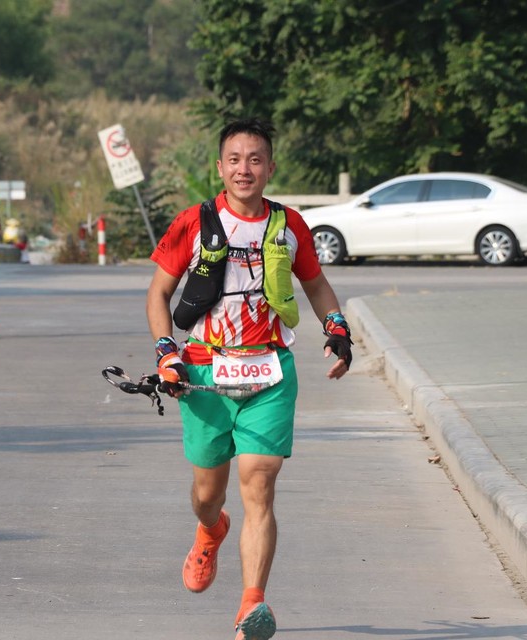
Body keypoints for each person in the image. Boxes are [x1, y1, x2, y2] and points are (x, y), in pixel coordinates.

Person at [145, 118, 352, 640]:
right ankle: (210, 529)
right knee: (207, 493)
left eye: (255, 160)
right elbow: (158, 293)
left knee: (259, 482)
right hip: (203, 372)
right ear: (220, 167)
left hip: (270, 369)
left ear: (270, 168)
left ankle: (251, 606)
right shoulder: (194, 222)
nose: (245, 169)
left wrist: (337, 328)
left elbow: (316, 284)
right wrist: (166, 353)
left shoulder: (288, 225)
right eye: (235, 160)